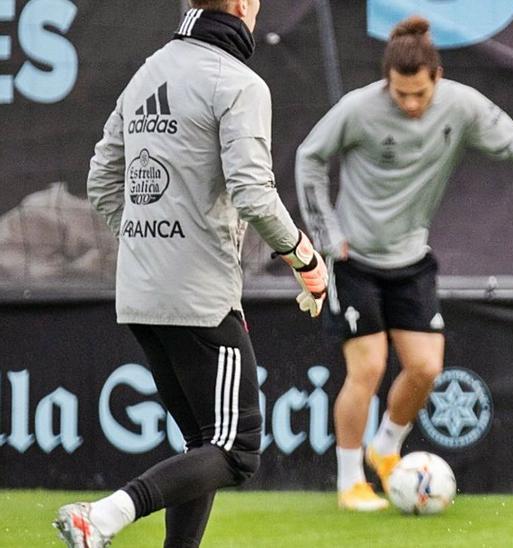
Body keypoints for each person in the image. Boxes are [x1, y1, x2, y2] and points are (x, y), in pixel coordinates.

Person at [59, 1, 329, 546]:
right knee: (237, 449)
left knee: (202, 442)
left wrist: (148, 241)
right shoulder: (240, 83)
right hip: (201, 298)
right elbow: (254, 192)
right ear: (246, 7)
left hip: (140, 294)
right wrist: (305, 257)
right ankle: (106, 515)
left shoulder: (148, 70)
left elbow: (101, 182)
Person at [294, 15, 513, 511]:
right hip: (352, 259)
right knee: (370, 367)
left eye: (419, 93)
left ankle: (385, 449)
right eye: (401, 93)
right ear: (387, 82)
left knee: (425, 368)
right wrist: (325, 235)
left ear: (437, 78)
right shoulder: (358, 109)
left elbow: (511, 142)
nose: (411, 103)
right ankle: (350, 481)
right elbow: (309, 157)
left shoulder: (461, 105)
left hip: (411, 260)